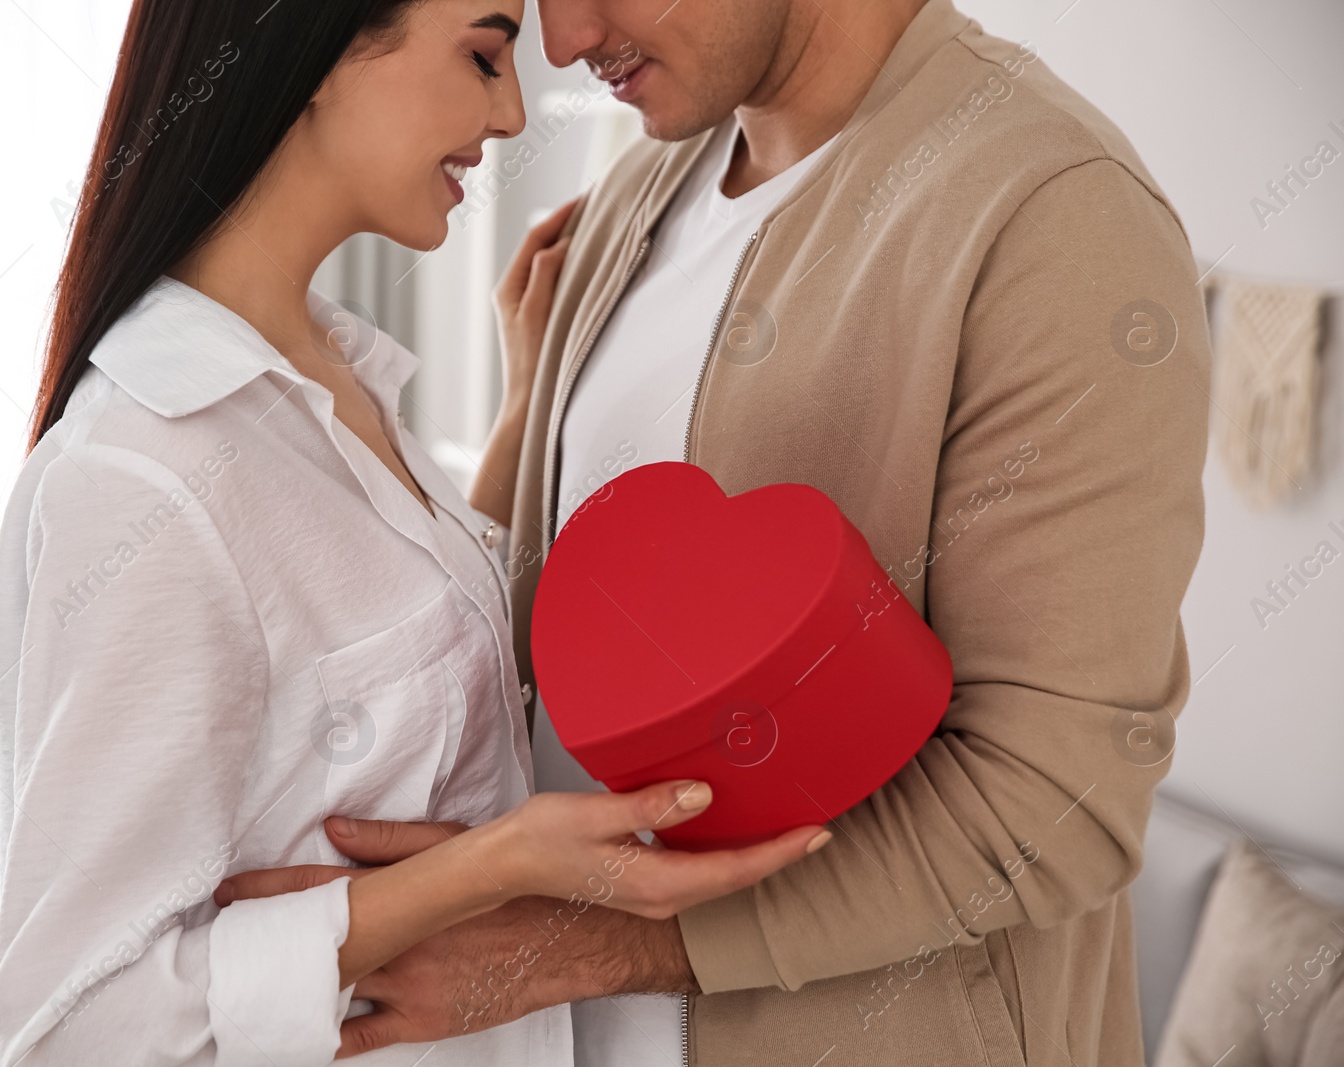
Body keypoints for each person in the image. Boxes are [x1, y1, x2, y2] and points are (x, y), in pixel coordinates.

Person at [220, 0, 1213, 1064]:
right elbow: (540, 651)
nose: (561, 42)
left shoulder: (1053, 215)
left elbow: (1055, 796)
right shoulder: (642, 188)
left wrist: (572, 949)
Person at [0, 1, 832, 1064]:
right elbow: (76, 1028)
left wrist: (530, 407)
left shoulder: (339, 381)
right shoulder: (146, 472)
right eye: (482, 55)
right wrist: (494, 866)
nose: (515, 109)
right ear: (315, 47)